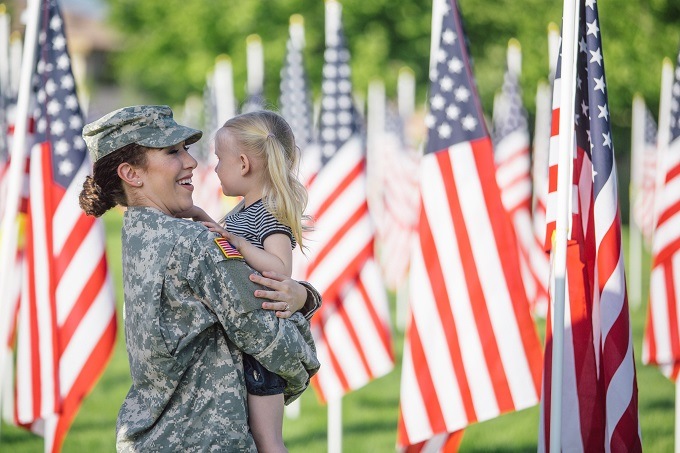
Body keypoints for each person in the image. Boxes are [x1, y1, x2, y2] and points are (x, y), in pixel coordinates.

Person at [78, 105, 320, 452]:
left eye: (186, 148)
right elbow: (273, 342)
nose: (191, 161)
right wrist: (305, 300)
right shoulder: (197, 245)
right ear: (132, 174)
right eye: (172, 151)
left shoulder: (137, 233)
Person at [185, 110, 310, 452]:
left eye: (219, 160)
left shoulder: (268, 211)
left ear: (243, 164)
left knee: (267, 441)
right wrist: (201, 217)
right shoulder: (243, 211)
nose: (215, 169)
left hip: (264, 351)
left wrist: (240, 245)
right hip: (248, 343)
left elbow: (281, 267)